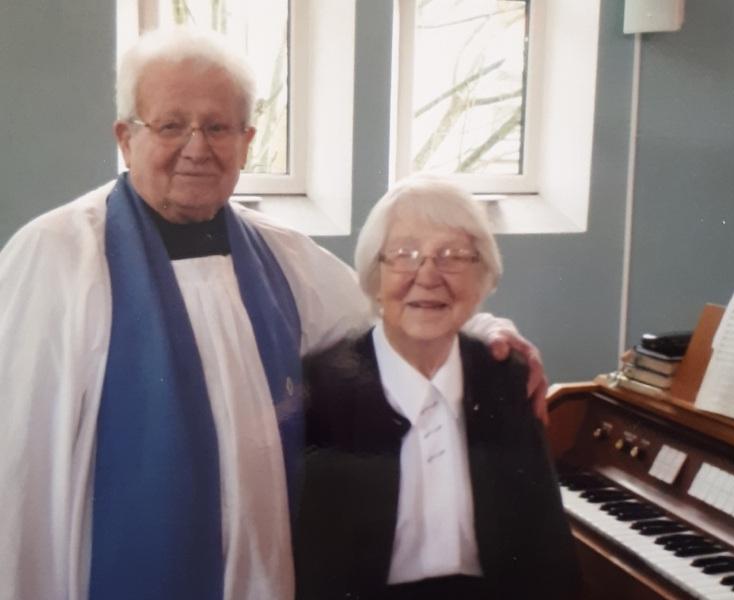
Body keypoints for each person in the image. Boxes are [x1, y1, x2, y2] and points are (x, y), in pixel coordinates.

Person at [0, 28, 549, 600]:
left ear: (246, 140)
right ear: (125, 137)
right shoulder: (58, 256)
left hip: (263, 567)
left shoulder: (281, 256)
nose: (197, 147)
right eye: (170, 125)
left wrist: (485, 332)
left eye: (218, 127)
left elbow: (386, 320)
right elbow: (18, 472)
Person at [295, 176, 580, 600]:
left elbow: (545, 550)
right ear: (375, 276)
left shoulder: (506, 379)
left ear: (482, 277)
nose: (427, 276)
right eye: (405, 255)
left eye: (454, 257)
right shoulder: (321, 387)